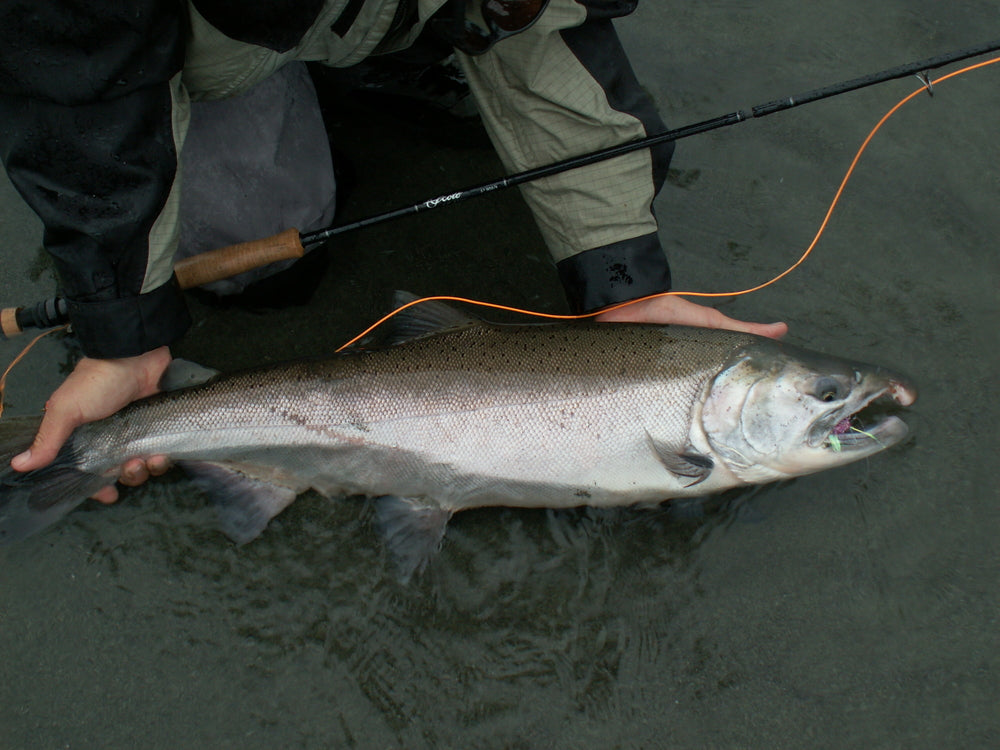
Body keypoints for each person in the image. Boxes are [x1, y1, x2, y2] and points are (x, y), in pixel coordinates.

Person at [0, 0, 786, 502]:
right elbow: (77, 79)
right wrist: (121, 332)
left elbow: (560, 45)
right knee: (252, 245)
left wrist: (621, 281)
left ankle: (386, 49)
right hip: (160, 37)